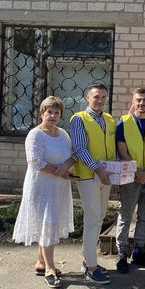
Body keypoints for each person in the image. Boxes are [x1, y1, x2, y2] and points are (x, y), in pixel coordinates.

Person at [13, 96, 75, 289]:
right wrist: (60, 171)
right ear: (42, 113)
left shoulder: (63, 133)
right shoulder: (35, 134)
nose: (53, 115)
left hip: (59, 186)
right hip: (41, 186)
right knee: (47, 224)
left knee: (49, 224)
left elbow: (73, 154)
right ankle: (50, 268)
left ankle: (40, 262)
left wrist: (66, 169)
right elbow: (35, 162)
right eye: (49, 112)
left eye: (57, 112)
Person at [69, 84, 115, 285]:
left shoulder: (109, 119)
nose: (100, 100)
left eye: (104, 97)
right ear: (87, 97)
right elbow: (79, 148)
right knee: (93, 219)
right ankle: (91, 268)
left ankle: (88, 258)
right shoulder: (79, 118)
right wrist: (98, 169)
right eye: (96, 97)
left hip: (106, 176)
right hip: (89, 175)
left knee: (101, 216)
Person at [115, 88, 145, 273]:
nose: (142, 104)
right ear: (133, 102)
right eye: (139, 100)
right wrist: (137, 172)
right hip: (130, 177)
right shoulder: (124, 122)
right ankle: (121, 254)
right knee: (126, 215)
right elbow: (122, 150)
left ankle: (138, 252)